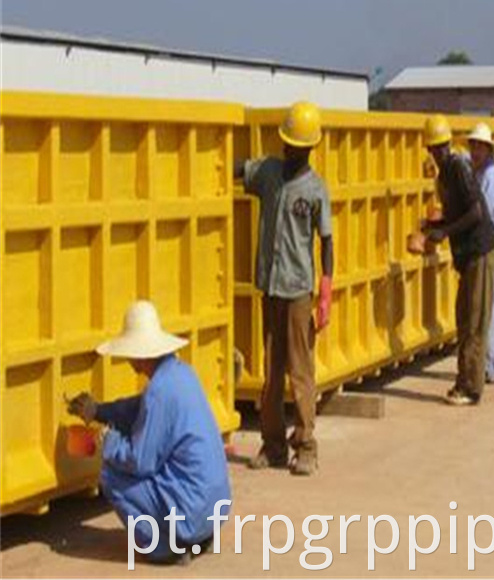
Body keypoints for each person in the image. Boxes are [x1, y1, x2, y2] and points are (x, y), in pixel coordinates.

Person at [67, 300, 231, 566]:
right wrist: (99, 410)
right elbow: (138, 408)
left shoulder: (158, 392)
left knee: (111, 474)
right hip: (214, 505)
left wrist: (107, 441)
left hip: (191, 507)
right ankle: (197, 536)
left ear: (140, 355)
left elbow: (139, 461)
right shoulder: (181, 374)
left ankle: (165, 548)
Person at [234, 101, 333, 475]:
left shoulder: (315, 189)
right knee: (272, 371)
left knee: (300, 371)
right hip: (271, 287)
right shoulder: (269, 173)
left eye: (294, 146)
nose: (287, 151)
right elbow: (239, 169)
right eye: (286, 144)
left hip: (296, 291)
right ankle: (273, 444)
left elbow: (326, 240)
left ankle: (306, 445)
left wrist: (325, 287)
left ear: (308, 148)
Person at [422, 114, 494, 405]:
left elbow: (476, 213)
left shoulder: (458, 168)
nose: (437, 153)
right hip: (468, 254)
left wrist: (444, 231)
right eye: (433, 148)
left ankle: (472, 387)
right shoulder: (445, 174)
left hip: (479, 249)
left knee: (474, 319)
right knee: (463, 316)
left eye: (440, 147)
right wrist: (432, 227)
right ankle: (463, 381)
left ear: (447, 146)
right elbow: (457, 213)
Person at [466, 122, 494, 383]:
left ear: (487, 148)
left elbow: (481, 212)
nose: (474, 151)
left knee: (489, 307)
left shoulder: (491, 176)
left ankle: (490, 364)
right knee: (492, 302)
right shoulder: (483, 172)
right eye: (472, 146)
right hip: (492, 243)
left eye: (478, 147)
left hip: (492, 246)